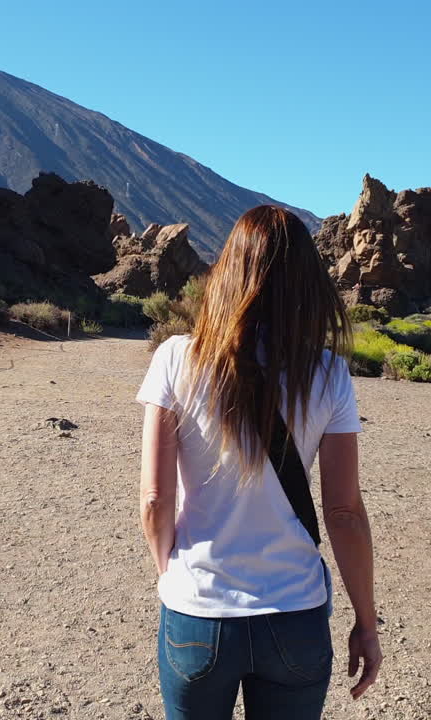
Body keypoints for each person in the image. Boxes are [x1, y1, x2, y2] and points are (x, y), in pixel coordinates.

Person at [136, 205, 381, 719]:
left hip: (198, 613)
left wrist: (173, 577)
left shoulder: (176, 358)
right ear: (308, 283)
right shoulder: (329, 372)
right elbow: (343, 512)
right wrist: (366, 619)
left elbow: (155, 501)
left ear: (227, 272)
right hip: (295, 615)